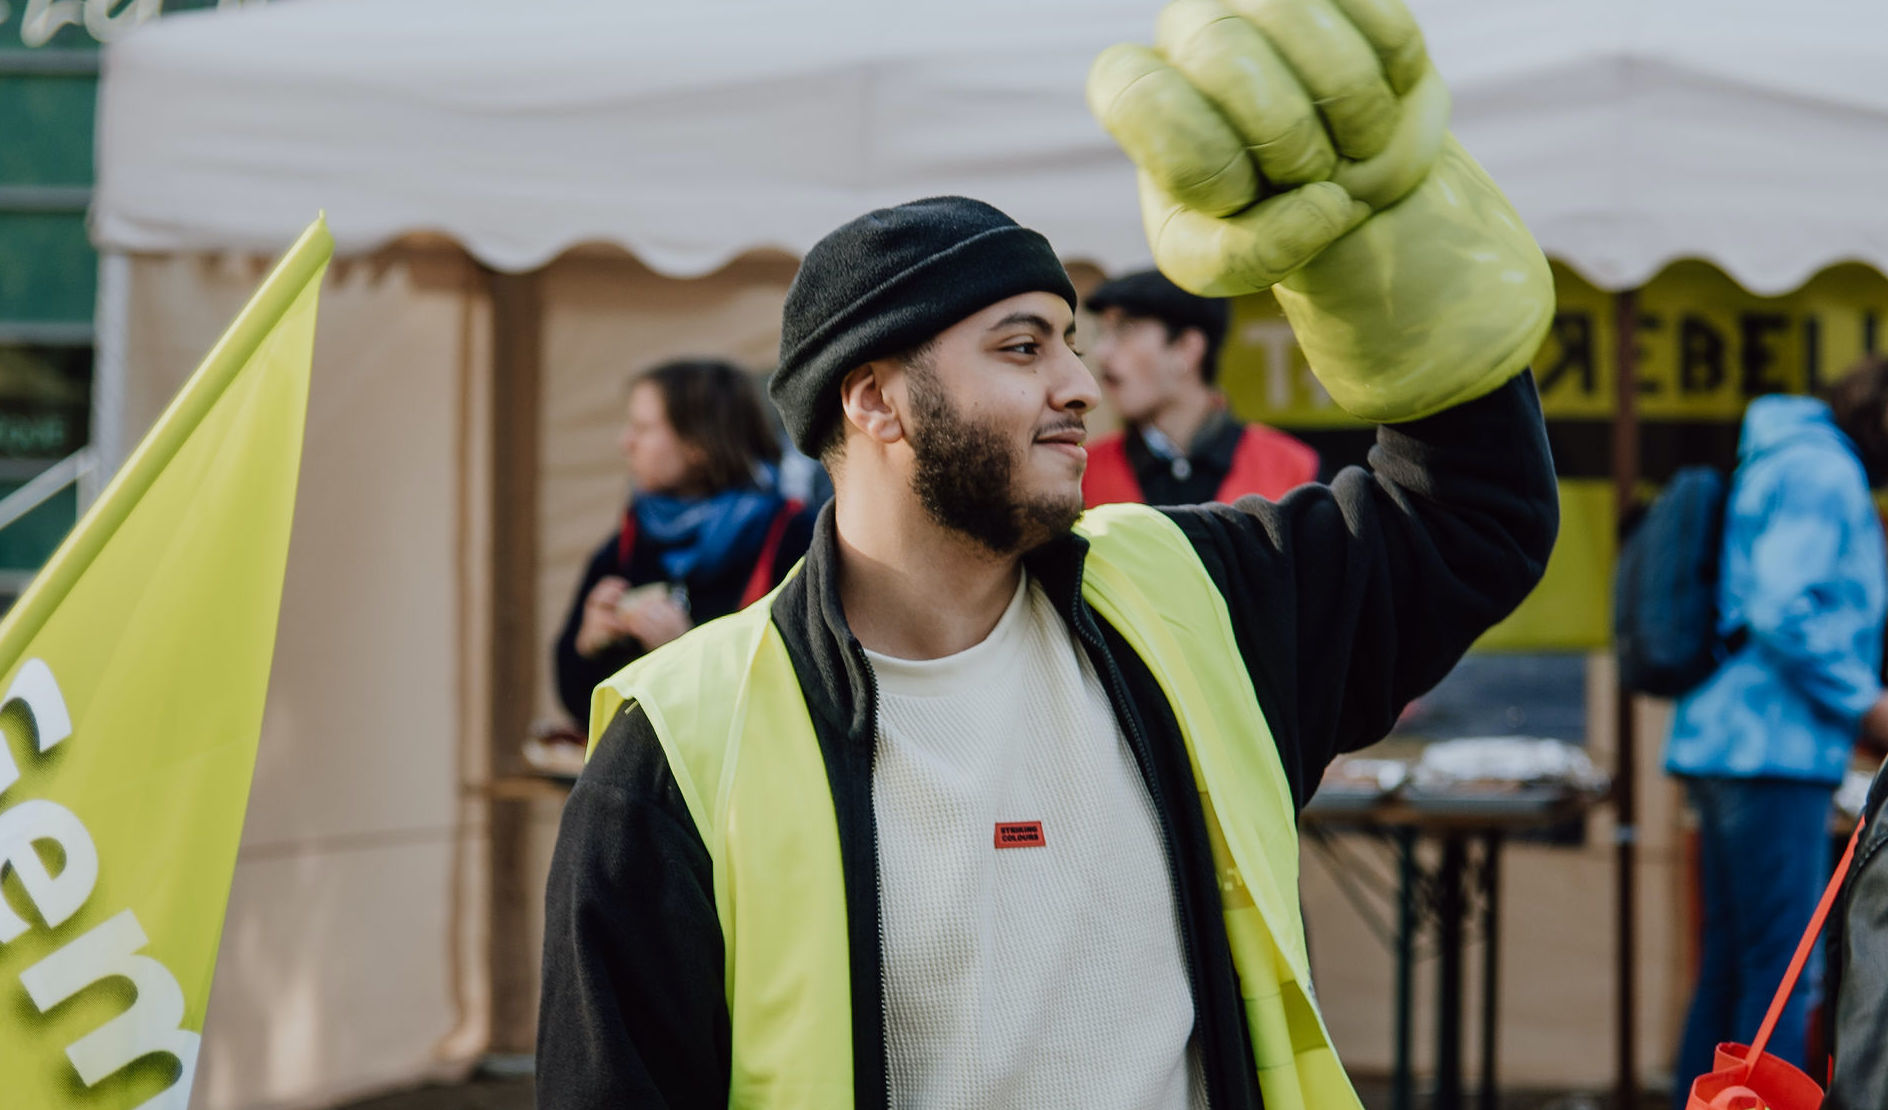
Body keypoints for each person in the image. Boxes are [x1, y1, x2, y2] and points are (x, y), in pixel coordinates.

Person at [539, 196, 1558, 1108]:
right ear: (876, 399)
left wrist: (1374, 236)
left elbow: (1472, 514)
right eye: (1024, 347)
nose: (1080, 385)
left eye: (1072, 343)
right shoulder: (679, 739)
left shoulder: (1191, 596)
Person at [1667, 358, 1888, 1106]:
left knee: (1731, 971)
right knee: (1785, 977)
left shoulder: (1784, 453)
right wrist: (1865, 702)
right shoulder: (1824, 472)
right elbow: (1784, 607)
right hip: (1771, 752)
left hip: (1731, 741)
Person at [551, 359, 818, 727]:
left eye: (642, 428)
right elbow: (580, 703)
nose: (624, 443)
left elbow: (808, 695)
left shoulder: (792, 539)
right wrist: (587, 646)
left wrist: (687, 653)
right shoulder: (628, 542)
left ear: (699, 444)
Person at [1083, 268, 1320, 506]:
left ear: (1187, 348)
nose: (1102, 351)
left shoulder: (1293, 470)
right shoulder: (1082, 475)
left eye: (1125, 329)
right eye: (1102, 332)